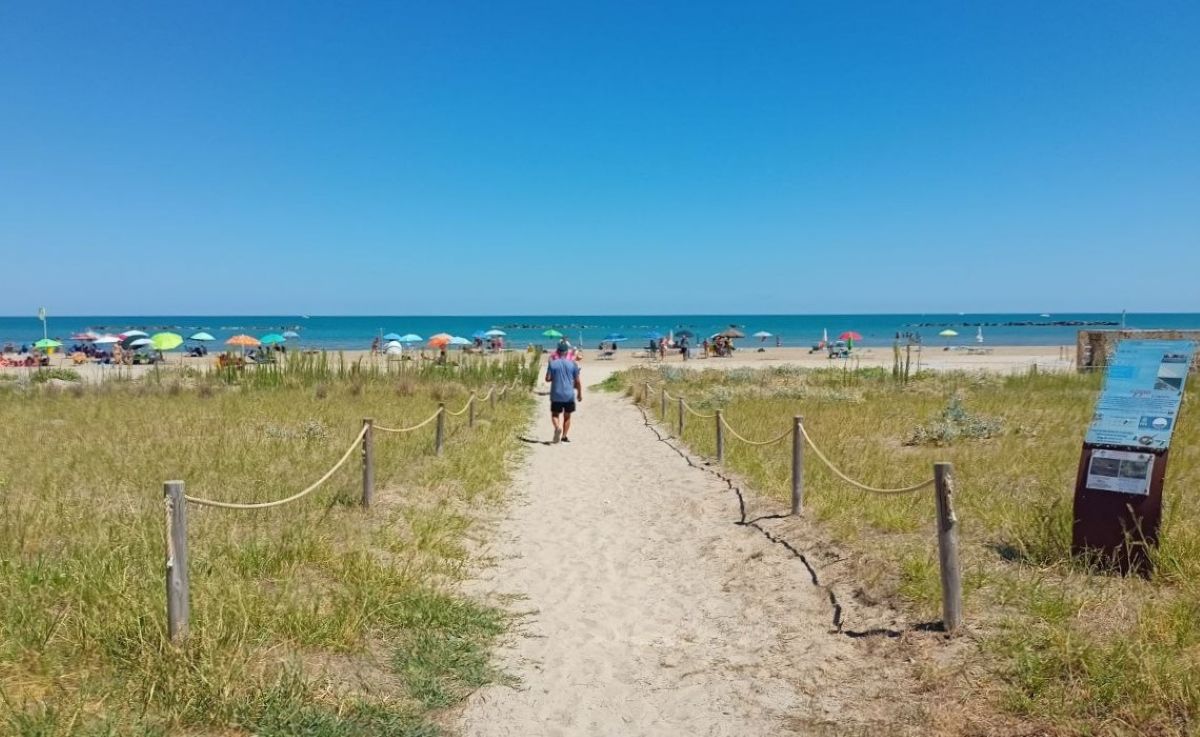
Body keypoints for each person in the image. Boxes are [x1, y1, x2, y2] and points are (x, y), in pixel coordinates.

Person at [545, 340, 582, 443]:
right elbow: (578, 381)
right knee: (567, 416)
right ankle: (564, 436)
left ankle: (557, 427)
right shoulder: (573, 364)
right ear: (567, 352)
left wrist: (555, 377)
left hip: (556, 393)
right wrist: (579, 394)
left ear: (557, 351)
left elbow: (547, 379)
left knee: (555, 414)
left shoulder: (552, 364)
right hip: (569, 394)